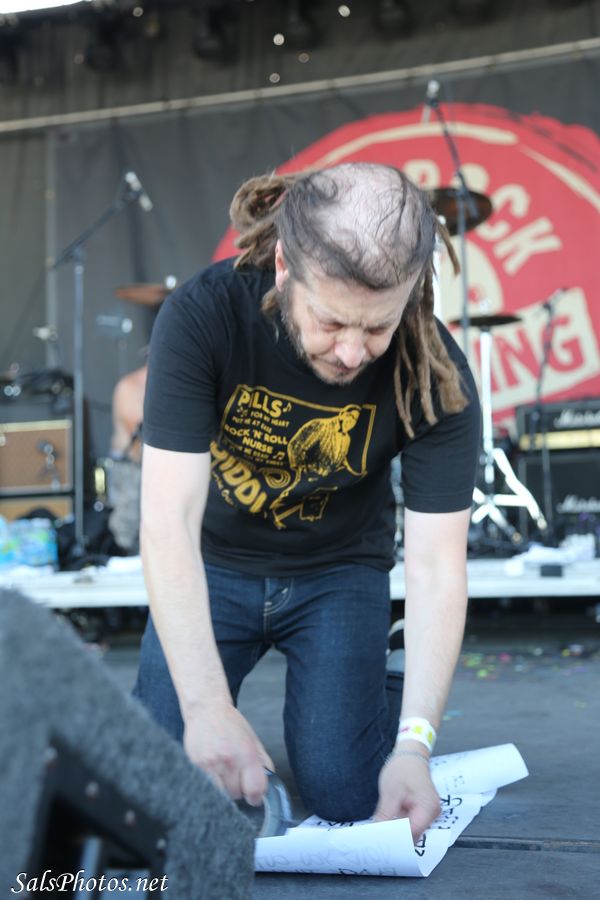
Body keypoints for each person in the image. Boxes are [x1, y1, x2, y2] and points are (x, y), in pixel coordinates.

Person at [134, 163, 481, 839]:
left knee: (349, 792)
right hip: (214, 564)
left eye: (376, 329)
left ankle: (381, 685)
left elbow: (438, 567)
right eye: (331, 321)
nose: (351, 353)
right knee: (158, 777)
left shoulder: (435, 376)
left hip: (337, 572)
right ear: (285, 266)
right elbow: (167, 520)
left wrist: (415, 744)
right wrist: (204, 706)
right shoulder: (204, 314)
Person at [107, 364, 147, 552]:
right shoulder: (131, 386)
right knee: (126, 538)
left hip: (156, 473)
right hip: (130, 471)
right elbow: (140, 437)